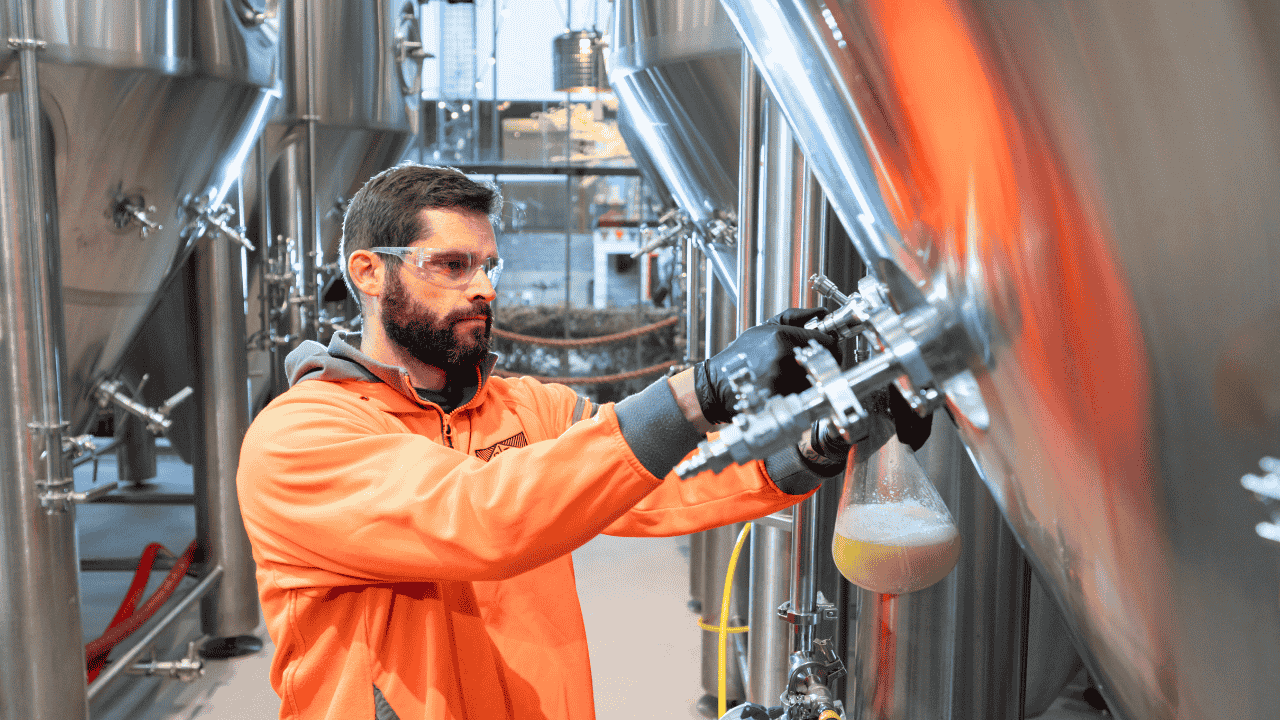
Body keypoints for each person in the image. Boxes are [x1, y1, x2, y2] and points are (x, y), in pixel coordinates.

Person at [236, 163, 852, 720]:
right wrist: (703, 391)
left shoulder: (529, 407)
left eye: (488, 266)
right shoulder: (301, 437)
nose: (484, 288)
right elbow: (480, 518)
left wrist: (816, 442)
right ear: (369, 272)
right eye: (453, 265)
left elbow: (651, 483)